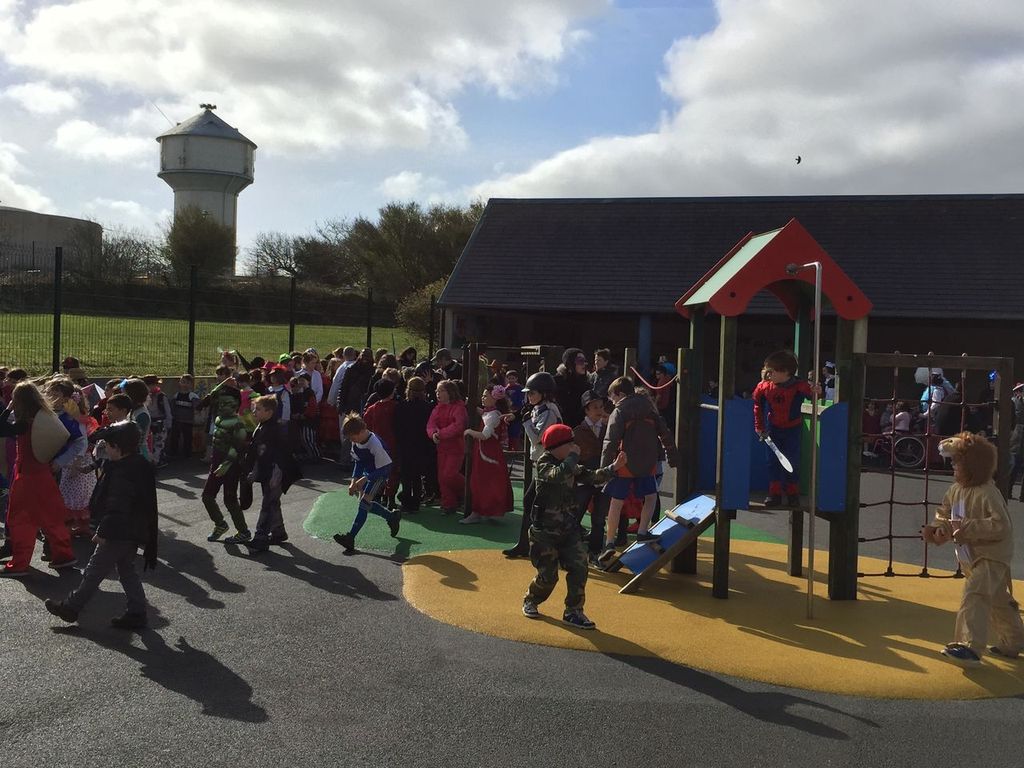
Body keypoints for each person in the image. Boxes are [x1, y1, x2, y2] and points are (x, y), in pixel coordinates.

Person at [44, 420, 158, 629]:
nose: (106, 450)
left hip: (117, 532)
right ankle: (137, 612)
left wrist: (103, 531)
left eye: (108, 446)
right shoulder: (138, 464)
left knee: (94, 571)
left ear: (118, 447)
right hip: (132, 530)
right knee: (127, 570)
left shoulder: (122, 471)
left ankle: (71, 607)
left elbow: (118, 505)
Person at [923, 432, 1024, 666]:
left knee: (974, 594)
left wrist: (964, 528)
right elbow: (944, 513)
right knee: (997, 599)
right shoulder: (955, 490)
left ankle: (969, 646)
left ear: (972, 465)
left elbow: (1001, 526)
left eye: (957, 462)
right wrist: (937, 529)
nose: (953, 466)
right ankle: (1015, 639)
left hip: (991, 555)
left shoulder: (988, 492)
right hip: (971, 555)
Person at [521, 423, 625, 629]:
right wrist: (573, 457)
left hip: (568, 529)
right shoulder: (545, 463)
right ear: (557, 446)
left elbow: (591, 476)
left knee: (579, 567)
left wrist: (613, 468)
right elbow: (557, 475)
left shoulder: (569, 463)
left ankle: (573, 611)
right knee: (548, 577)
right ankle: (531, 599)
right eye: (569, 444)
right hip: (545, 533)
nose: (573, 447)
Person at [597, 376, 678, 567]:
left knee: (616, 502)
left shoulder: (619, 411)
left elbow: (610, 442)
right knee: (650, 497)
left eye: (612, 397)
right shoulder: (649, 408)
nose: (612, 401)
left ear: (619, 394)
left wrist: (604, 469)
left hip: (624, 462)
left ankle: (610, 542)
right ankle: (642, 531)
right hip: (648, 461)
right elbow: (665, 433)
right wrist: (672, 455)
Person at [0, 381, 78, 576]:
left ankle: (20, 563)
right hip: (43, 474)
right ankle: (64, 556)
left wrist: (7, 408)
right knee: (53, 518)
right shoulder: (45, 417)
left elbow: (1, 428)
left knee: (21, 520)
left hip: (26, 476)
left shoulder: (24, 423)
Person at [503, 371, 562, 559]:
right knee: (533, 504)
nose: (529, 396)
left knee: (538, 506)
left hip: (549, 465)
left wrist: (526, 422)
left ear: (544, 393)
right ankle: (526, 544)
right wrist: (518, 417)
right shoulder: (540, 408)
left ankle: (540, 546)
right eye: (528, 393)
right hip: (541, 464)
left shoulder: (550, 411)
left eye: (533, 393)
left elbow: (537, 438)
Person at [751, 350, 816, 508]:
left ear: (785, 372)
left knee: (792, 461)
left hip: (792, 430)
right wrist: (759, 427)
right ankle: (774, 494)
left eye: (771, 371)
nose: (768, 374)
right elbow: (757, 405)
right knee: (772, 462)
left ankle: (792, 493)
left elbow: (812, 394)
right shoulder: (764, 387)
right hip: (772, 430)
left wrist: (817, 391)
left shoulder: (799, 386)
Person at [333, 413, 401, 553]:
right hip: (369, 472)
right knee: (366, 504)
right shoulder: (356, 441)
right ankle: (392, 517)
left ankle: (350, 537)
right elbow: (358, 462)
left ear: (361, 431)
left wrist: (365, 479)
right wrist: (353, 481)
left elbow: (386, 467)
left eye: (353, 437)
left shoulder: (375, 443)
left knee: (364, 503)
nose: (352, 440)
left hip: (379, 474)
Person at [244, 395, 302, 553]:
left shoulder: (276, 428)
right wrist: (254, 470)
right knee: (272, 502)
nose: (254, 412)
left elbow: (282, 453)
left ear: (269, 412)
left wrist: (277, 472)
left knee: (268, 504)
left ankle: (261, 537)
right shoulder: (262, 426)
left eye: (258, 409)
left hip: (277, 472)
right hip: (267, 471)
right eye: (254, 409)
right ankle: (278, 532)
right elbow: (258, 452)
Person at [573, 390, 624, 560]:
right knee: (576, 514)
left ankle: (595, 552)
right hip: (584, 478)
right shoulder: (578, 431)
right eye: (595, 407)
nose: (599, 410)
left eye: (601, 406)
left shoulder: (608, 428)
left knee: (599, 518)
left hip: (603, 478)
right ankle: (571, 549)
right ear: (586, 410)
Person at [202, 384, 252, 544]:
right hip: (216, 464)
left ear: (236, 405)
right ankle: (220, 524)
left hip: (231, 466)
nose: (223, 406)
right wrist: (223, 384)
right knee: (207, 496)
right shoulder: (219, 417)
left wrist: (226, 464)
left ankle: (243, 531)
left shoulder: (237, 423)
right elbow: (212, 396)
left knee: (230, 499)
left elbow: (238, 445)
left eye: (228, 403)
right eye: (221, 403)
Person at [463, 384, 515, 524]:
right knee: (486, 482)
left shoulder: (492, 416)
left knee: (480, 482)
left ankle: (478, 512)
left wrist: (469, 432)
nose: (483, 398)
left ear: (494, 398)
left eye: (485, 396)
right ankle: (484, 511)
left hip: (487, 454)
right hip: (488, 453)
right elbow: (484, 414)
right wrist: (470, 404)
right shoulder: (492, 413)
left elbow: (484, 435)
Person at [426, 380, 467, 515]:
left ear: (450, 392)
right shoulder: (437, 408)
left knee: (450, 475)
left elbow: (458, 426)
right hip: (442, 447)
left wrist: (440, 434)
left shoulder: (459, 408)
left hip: (456, 447)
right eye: (437, 391)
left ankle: (468, 490)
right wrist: (433, 434)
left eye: (441, 391)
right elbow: (430, 425)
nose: (438, 393)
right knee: (442, 478)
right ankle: (448, 504)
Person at [395, 377, 434, 514]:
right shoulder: (428, 407)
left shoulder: (402, 406)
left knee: (406, 476)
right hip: (421, 445)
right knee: (417, 476)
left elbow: (397, 427)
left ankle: (406, 502)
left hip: (406, 444)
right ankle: (416, 502)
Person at [554, 348, 591, 429]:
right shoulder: (558, 382)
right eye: (580, 361)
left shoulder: (586, 383)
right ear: (570, 363)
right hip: (562, 427)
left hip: (581, 428)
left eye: (585, 361)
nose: (584, 364)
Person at [168, 374, 200, 459]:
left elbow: (197, 408)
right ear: (180, 383)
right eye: (183, 382)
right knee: (174, 437)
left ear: (191, 384)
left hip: (188, 421)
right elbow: (172, 407)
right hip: (177, 420)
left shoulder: (192, 396)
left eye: (187, 383)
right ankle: (173, 452)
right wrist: (173, 416)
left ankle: (187, 454)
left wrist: (195, 417)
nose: (184, 384)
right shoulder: (176, 395)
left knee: (188, 438)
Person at [143, 374, 173, 465]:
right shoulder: (145, 397)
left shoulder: (161, 396)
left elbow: (167, 411)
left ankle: (157, 460)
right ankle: (153, 460)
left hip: (160, 423)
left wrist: (169, 424)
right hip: (150, 422)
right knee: (151, 443)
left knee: (159, 443)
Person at [122, 378, 153, 463]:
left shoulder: (142, 414)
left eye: (125, 394)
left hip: (140, 455)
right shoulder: (133, 410)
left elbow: (137, 439)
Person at [1010, 382, 1024, 502]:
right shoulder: (1014, 402)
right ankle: (1009, 490)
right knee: (1014, 462)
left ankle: (1020, 494)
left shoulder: (1014, 402)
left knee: (1015, 462)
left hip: (1017, 433)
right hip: (1017, 434)